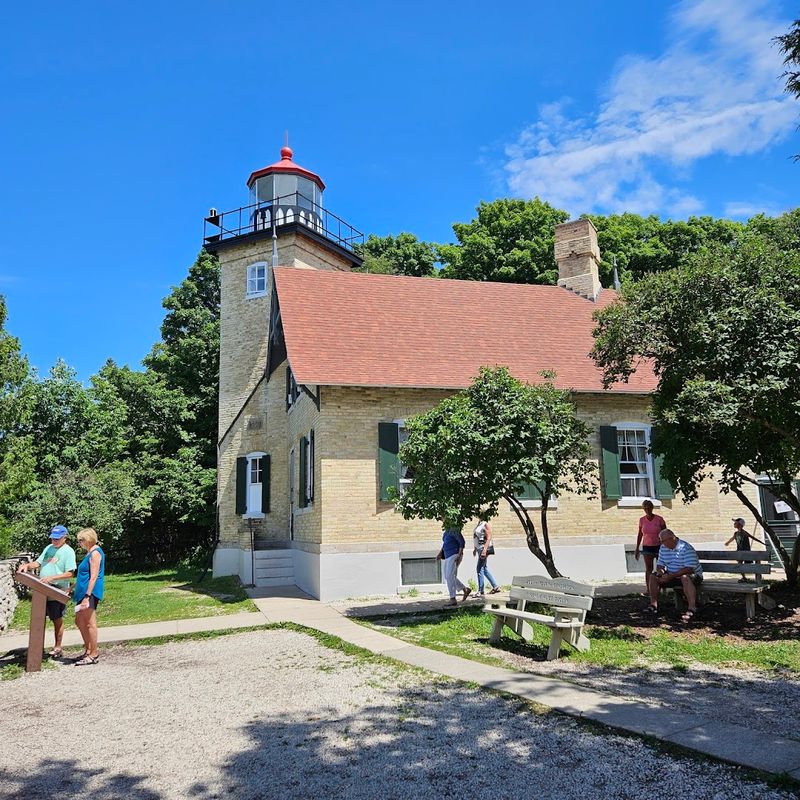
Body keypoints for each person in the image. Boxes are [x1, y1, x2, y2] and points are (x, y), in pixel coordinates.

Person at [16, 525, 77, 658]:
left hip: (57, 590)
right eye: (52, 539)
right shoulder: (48, 548)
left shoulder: (68, 551)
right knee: (38, 619)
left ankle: (58, 647)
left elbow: (70, 573)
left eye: (57, 539)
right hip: (42, 590)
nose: (54, 541)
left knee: (57, 619)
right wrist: (27, 565)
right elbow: (38, 563)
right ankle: (36, 648)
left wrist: (52, 578)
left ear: (65, 537)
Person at [646, 528, 703, 623]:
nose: (662, 543)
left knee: (685, 578)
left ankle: (692, 608)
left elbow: (689, 569)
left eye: (663, 541)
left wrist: (671, 576)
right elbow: (660, 564)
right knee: (653, 577)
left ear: (672, 538)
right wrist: (661, 572)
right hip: (672, 575)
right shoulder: (663, 547)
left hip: (692, 575)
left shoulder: (686, 548)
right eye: (661, 541)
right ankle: (653, 605)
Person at [72, 528, 105, 666]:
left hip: (89, 593)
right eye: (79, 541)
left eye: (82, 540)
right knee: (79, 621)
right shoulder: (89, 553)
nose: (80, 543)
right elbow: (83, 575)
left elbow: (94, 576)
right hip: (82, 592)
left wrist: (87, 596)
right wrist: (72, 587)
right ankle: (88, 649)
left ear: (89, 539)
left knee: (90, 623)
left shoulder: (95, 553)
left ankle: (93, 653)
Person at [634, 500, 667, 596]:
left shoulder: (659, 519)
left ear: (652, 508)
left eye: (649, 507)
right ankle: (649, 590)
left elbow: (665, 533)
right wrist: (637, 548)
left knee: (660, 568)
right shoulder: (642, 520)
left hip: (659, 547)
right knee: (649, 569)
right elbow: (640, 534)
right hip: (647, 547)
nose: (647, 510)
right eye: (645, 508)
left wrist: (665, 546)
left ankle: (661, 589)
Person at [436, 523, 471, 607]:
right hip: (447, 555)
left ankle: (453, 599)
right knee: (448, 576)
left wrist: (459, 555)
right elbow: (445, 544)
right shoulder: (446, 531)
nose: (441, 520)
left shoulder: (454, 529)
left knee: (449, 576)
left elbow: (462, 542)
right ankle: (465, 589)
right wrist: (440, 553)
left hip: (454, 554)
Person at [725, 517, 764, 583]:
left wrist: (762, 543)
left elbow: (753, 538)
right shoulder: (736, 533)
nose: (734, 524)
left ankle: (757, 574)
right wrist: (728, 542)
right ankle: (744, 577)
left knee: (747, 565)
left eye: (735, 523)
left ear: (740, 525)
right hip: (739, 552)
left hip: (746, 552)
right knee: (739, 564)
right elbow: (732, 538)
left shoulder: (744, 533)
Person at [473, 519, 501, 596]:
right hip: (479, 548)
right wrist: (475, 549)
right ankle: (495, 586)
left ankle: (481, 590)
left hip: (483, 548)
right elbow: (477, 537)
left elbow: (488, 537)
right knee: (484, 568)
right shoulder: (479, 523)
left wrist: (484, 550)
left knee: (479, 568)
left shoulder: (485, 524)